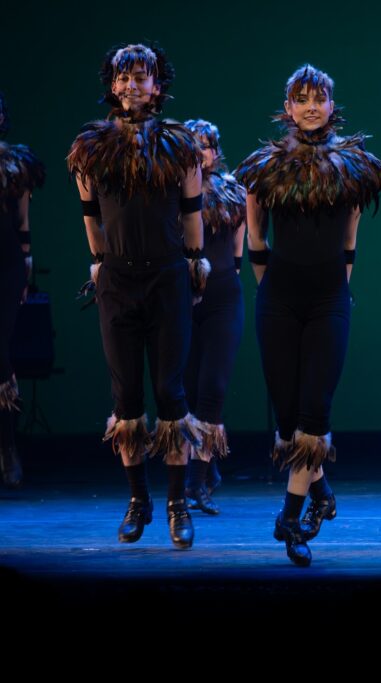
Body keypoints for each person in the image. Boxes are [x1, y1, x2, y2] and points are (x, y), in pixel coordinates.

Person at [236, 64, 381, 566]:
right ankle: (320, 491)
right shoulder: (265, 166)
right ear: (287, 108)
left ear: (331, 105)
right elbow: (255, 238)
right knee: (287, 422)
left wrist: (336, 296)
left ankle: (290, 519)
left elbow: (349, 242)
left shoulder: (351, 166)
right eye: (300, 98)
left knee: (314, 413)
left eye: (318, 98)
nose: (310, 106)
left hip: (329, 300)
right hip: (278, 298)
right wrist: (271, 291)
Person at [68, 43, 207, 548]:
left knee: (171, 391)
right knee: (125, 395)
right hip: (118, 280)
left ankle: (176, 504)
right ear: (111, 85)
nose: (132, 86)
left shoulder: (179, 144)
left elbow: (192, 213)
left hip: (169, 276)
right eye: (123, 78)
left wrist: (195, 262)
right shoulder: (92, 145)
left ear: (157, 85)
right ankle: (137, 500)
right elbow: (92, 215)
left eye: (141, 77)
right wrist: (101, 263)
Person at [181, 118, 246, 515]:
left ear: (216, 151)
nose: (200, 152)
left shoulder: (231, 192)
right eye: (192, 145)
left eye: (206, 145)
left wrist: (228, 280)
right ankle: (204, 467)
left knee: (213, 386)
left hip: (222, 297)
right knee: (186, 389)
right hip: (182, 300)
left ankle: (196, 480)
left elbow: (237, 249)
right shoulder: (169, 194)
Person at [0, 91, 45, 487]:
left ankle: (7, 444)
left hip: (4, 261)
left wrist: (26, 263)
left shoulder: (12, 163)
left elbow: (21, 216)